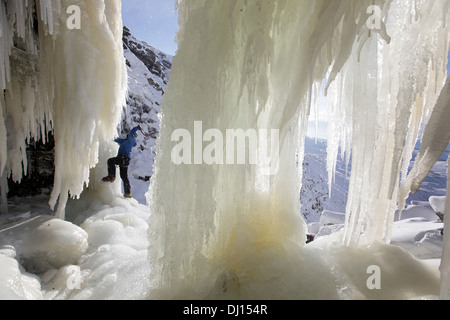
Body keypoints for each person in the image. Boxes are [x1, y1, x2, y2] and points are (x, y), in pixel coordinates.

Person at [103, 126, 142, 198]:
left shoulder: (131, 140)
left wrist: (137, 128)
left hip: (124, 159)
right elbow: (116, 140)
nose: (128, 135)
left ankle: (111, 177)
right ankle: (128, 193)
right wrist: (106, 135)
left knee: (110, 161)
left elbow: (131, 133)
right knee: (124, 177)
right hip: (125, 160)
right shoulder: (124, 141)